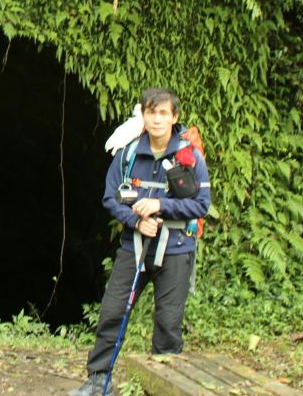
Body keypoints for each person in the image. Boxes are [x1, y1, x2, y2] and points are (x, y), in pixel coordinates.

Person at [69, 87, 211, 396]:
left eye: (163, 113)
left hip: (175, 249)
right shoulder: (128, 153)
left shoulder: (190, 156)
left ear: (175, 117)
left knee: (168, 323)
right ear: (142, 115)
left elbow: (201, 204)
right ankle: (97, 380)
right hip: (134, 247)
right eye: (151, 112)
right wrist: (135, 219)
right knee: (112, 311)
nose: (157, 119)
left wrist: (161, 206)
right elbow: (110, 197)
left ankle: (165, 386)